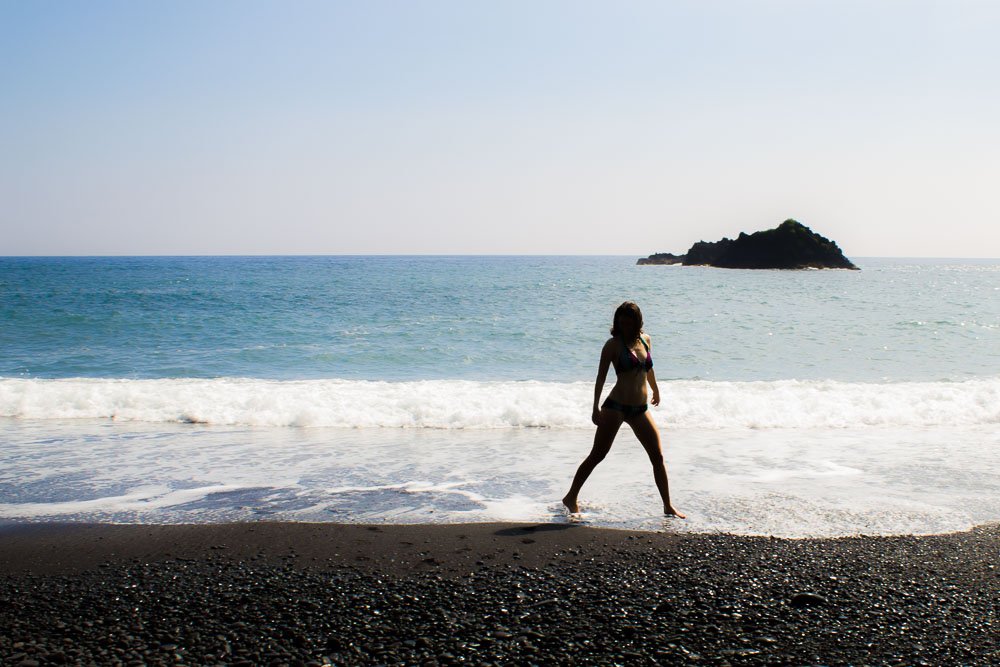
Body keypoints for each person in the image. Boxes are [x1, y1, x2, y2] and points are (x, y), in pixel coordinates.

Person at [563, 301, 685, 518]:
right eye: (622, 323)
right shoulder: (613, 345)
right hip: (616, 407)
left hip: (640, 408)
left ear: (637, 322)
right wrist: (594, 408)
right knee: (598, 454)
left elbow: (649, 369)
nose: (625, 327)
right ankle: (571, 496)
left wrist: (656, 389)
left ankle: (667, 505)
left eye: (629, 323)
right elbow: (600, 377)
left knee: (657, 456)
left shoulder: (645, 340)